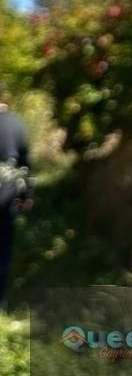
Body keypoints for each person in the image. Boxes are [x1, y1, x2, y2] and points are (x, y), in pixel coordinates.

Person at [0, 89, 33, 308]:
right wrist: (28, 195)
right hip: (6, 197)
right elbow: (27, 164)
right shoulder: (18, 125)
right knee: (2, 249)